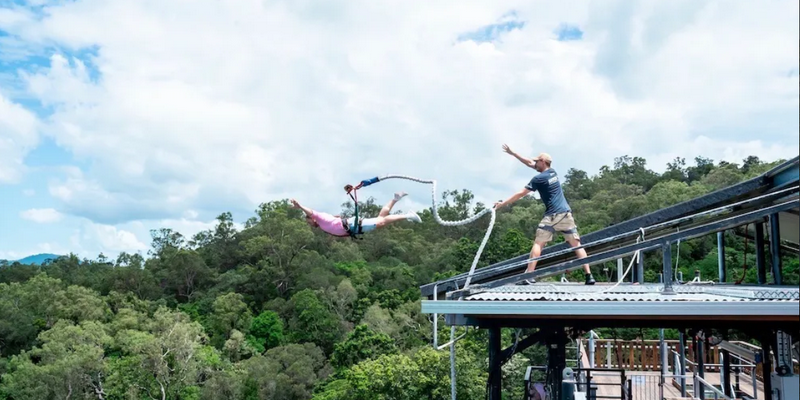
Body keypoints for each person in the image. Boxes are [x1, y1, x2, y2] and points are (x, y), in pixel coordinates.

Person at [493, 144, 596, 285]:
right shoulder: (553, 172)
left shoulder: (538, 179)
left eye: (537, 161)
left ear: (542, 162)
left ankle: (529, 275)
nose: (534, 163)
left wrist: (502, 204)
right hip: (566, 214)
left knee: (538, 243)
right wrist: (514, 153)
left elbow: (521, 194)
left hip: (552, 216)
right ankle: (589, 276)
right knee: (576, 244)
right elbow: (530, 163)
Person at [291, 192, 422, 238]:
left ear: (312, 218)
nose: (309, 224)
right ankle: (395, 198)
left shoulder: (320, 218)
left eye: (308, 221)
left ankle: (408, 216)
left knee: (381, 221)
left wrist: (300, 206)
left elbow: (311, 212)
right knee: (380, 220)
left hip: (353, 225)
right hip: (353, 227)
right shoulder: (322, 223)